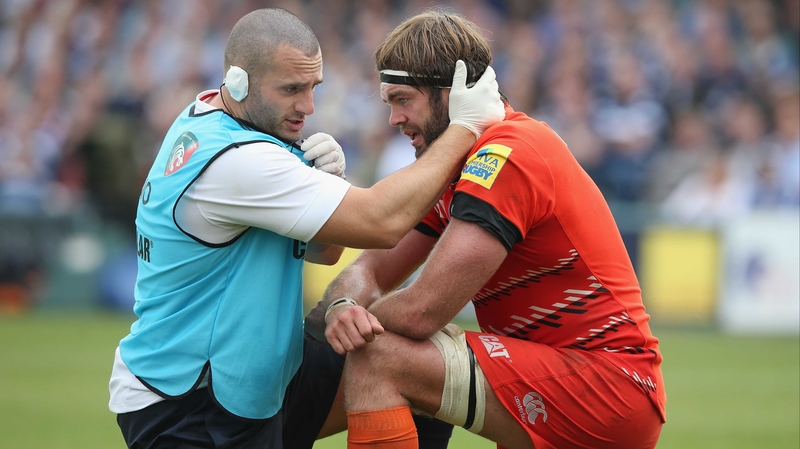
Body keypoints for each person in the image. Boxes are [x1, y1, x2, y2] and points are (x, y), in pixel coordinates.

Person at [107, 8, 505, 448]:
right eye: (291, 89)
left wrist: (329, 186)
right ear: (239, 82)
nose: (308, 107)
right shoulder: (239, 162)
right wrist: (465, 128)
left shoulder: (218, 118)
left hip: (256, 382)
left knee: (418, 370)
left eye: (313, 88)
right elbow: (383, 222)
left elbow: (325, 251)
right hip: (191, 403)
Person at [305, 10, 666, 449]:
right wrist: (345, 303)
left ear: (452, 95)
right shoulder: (454, 166)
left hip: (606, 387)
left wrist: (352, 323)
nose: (393, 119)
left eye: (403, 100)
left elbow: (423, 310)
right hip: (556, 374)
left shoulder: (507, 154)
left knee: (382, 356)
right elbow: (371, 271)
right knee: (388, 351)